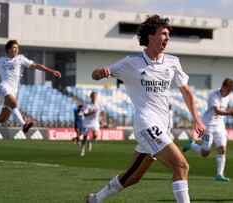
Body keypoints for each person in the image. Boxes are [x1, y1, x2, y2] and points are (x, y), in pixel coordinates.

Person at [85, 15, 205, 203]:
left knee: (133, 177)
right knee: (181, 166)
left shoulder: (173, 62)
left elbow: (187, 92)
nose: (168, 38)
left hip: (162, 127)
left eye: (168, 34)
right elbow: (95, 75)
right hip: (146, 124)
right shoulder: (131, 62)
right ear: (151, 36)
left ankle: (95, 199)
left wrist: (197, 119)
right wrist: (100, 72)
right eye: (163, 33)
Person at [0, 40, 61, 133]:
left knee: (2, 118)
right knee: (13, 102)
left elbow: (36, 65)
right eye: (14, 47)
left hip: (15, 91)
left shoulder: (21, 59)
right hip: (4, 87)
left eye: (17, 48)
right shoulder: (1, 61)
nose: (16, 50)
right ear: (8, 49)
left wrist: (51, 71)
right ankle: (24, 125)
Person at [182, 78, 233, 182]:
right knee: (205, 153)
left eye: (230, 91)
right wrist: (229, 113)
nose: (229, 93)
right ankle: (192, 144)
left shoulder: (227, 97)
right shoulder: (213, 96)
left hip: (220, 126)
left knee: (222, 149)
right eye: (228, 90)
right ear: (223, 87)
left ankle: (219, 175)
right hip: (208, 126)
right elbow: (216, 111)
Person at [79, 91, 106, 156]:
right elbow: (85, 114)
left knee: (96, 136)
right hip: (87, 123)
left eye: (95, 96)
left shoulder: (99, 104)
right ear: (91, 97)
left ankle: (90, 141)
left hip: (95, 122)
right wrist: (92, 112)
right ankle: (82, 149)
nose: (94, 97)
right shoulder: (87, 105)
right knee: (84, 138)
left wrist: (103, 119)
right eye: (93, 96)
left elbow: (103, 112)